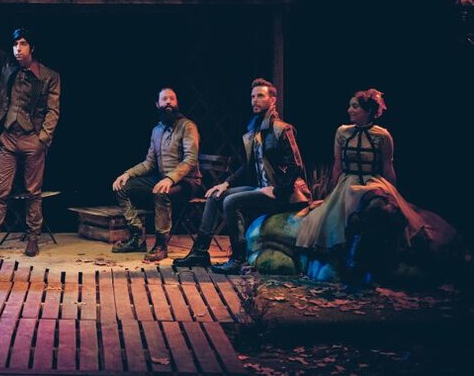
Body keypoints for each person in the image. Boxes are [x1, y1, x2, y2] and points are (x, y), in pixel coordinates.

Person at [295, 89, 460, 279]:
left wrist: (393, 194)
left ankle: (374, 259)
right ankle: (348, 258)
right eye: (350, 106)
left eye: (355, 106)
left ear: (368, 111)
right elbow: (337, 164)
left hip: (373, 181)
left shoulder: (382, 135)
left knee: (380, 206)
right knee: (336, 218)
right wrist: (332, 192)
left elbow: (387, 166)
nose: (349, 110)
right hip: (348, 183)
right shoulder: (342, 132)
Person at [173, 78, 311, 273]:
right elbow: (247, 167)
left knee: (231, 202)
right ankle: (200, 252)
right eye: (253, 97)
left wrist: (278, 190)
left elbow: (295, 165)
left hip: (284, 193)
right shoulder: (254, 131)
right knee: (216, 196)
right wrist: (226, 184)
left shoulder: (281, 129)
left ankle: (238, 258)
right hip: (262, 188)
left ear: (272, 100)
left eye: (260, 96)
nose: (255, 100)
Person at [0, 0, 61, 258]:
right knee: (1, 191)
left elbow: (53, 111)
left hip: (33, 139)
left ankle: (33, 238)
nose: (17, 49)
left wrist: (43, 139)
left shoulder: (49, 76)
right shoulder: (8, 65)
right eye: (15, 45)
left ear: (32, 47)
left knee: (33, 192)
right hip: (8, 137)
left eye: (22, 44)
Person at [111, 87, 203, 261]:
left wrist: (170, 178)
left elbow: (190, 159)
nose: (168, 102)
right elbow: (149, 163)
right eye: (164, 99)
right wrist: (127, 174)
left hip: (188, 182)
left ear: (177, 103)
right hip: (163, 179)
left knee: (161, 192)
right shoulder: (157, 130)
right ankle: (137, 237)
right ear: (157, 104)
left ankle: (161, 245)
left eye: (172, 99)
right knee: (122, 187)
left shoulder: (187, 126)